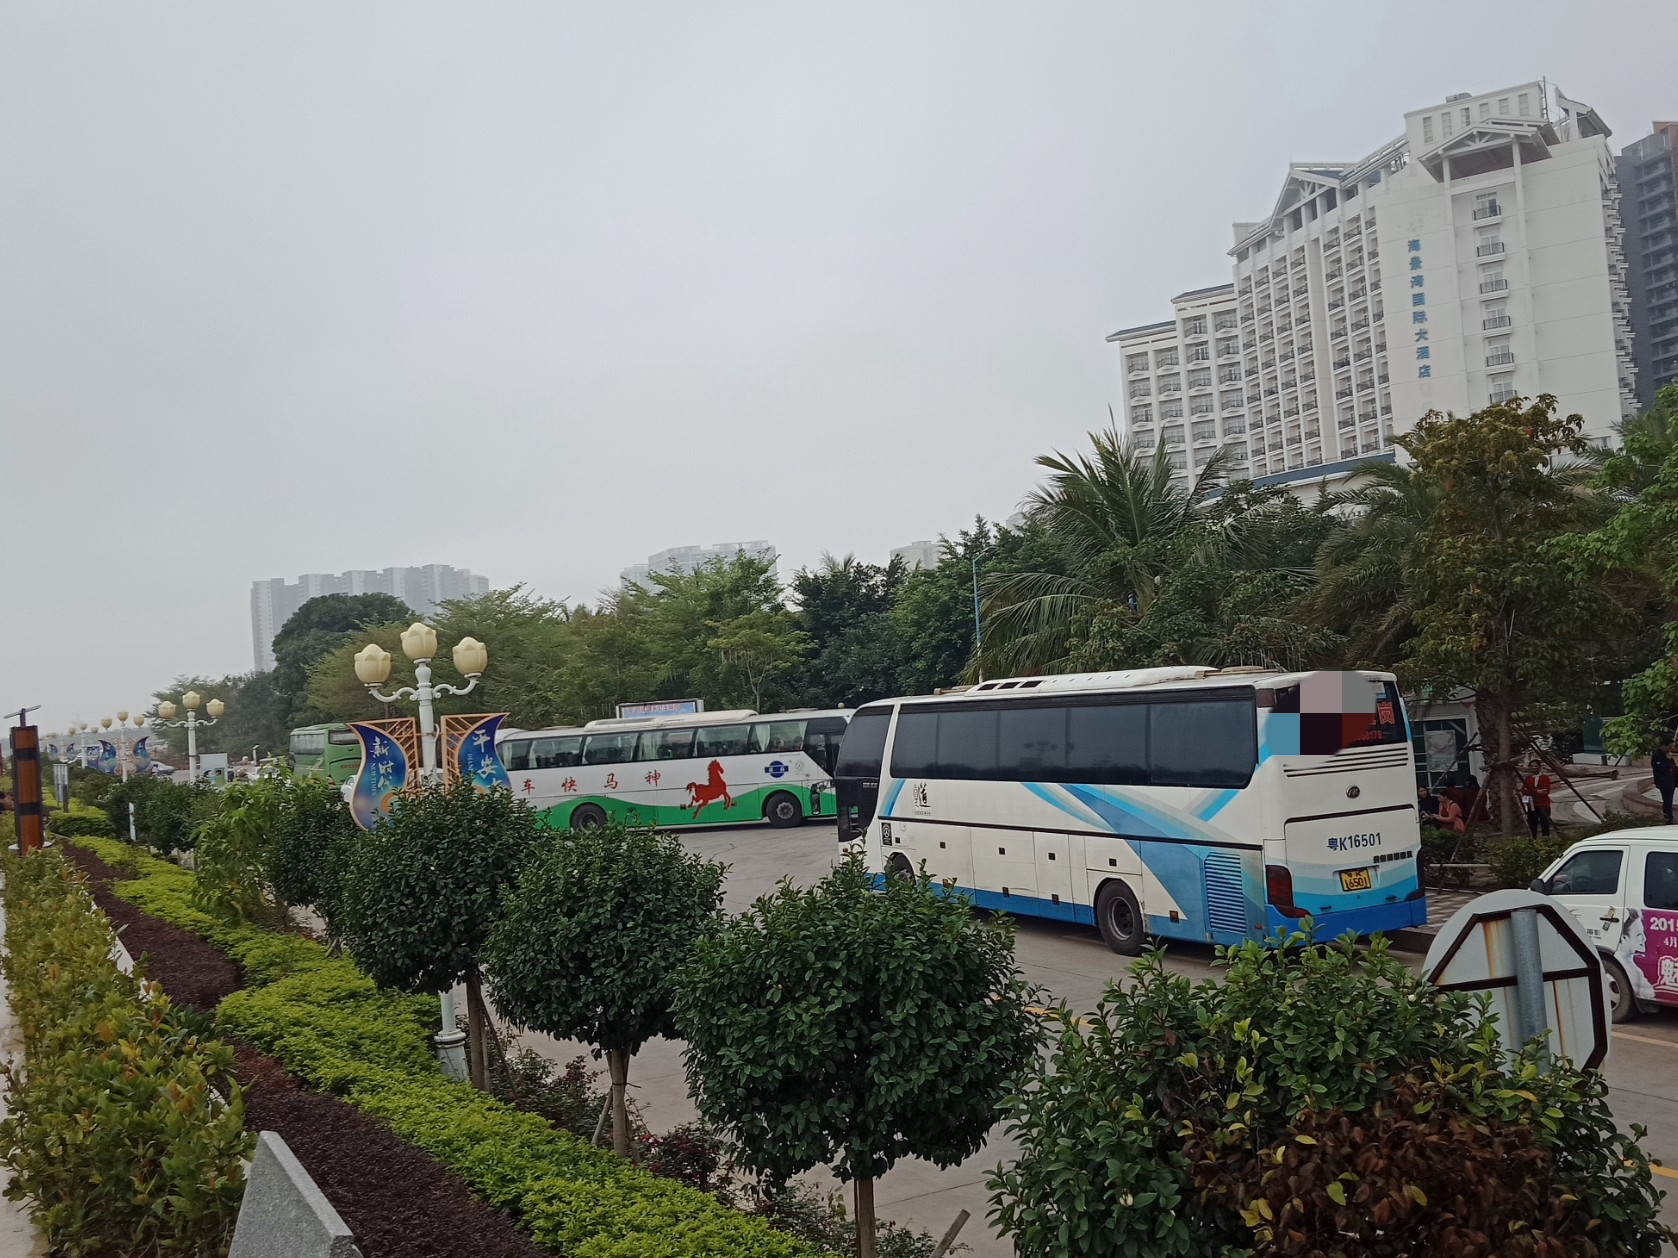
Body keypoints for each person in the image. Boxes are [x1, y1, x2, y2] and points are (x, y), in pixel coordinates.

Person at [1522, 760, 1553, 837]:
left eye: (1536, 766)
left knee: (1545, 824)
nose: (1534, 768)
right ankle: (1533, 840)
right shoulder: (1528, 779)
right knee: (1532, 825)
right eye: (1532, 766)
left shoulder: (1545, 778)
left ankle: (1546, 840)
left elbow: (1545, 791)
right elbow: (1524, 790)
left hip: (1543, 804)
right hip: (1532, 805)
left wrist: (1531, 790)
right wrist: (1537, 791)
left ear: (1539, 767)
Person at [1653, 735, 1677, 825]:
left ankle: (1669, 817)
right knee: (1667, 801)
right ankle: (1668, 818)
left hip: (1671, 781)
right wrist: (1667, 759)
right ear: (1663, 746)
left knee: (1669, 800)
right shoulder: (1657, 755)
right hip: (1664, 782)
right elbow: (1659, 769)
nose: (1670, 749)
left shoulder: (1668, 755)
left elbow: (1673, 767)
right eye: (1669, 747)